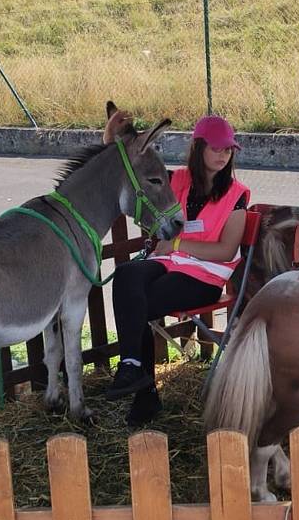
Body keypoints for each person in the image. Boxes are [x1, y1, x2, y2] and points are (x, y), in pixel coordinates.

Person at [103, 111, 249, 426]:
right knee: (127, 274)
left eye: (228, 150)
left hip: (206, 276)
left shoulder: (237, 195)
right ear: (198, 147)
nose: (224, 155)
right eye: (217, 148)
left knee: (137, 303)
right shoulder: (178, 179)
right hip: (168, 262)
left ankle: (144, 392)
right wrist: (109, 138)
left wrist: (179, 246)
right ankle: (131, 365)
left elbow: (226, 251)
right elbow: (129, 173)